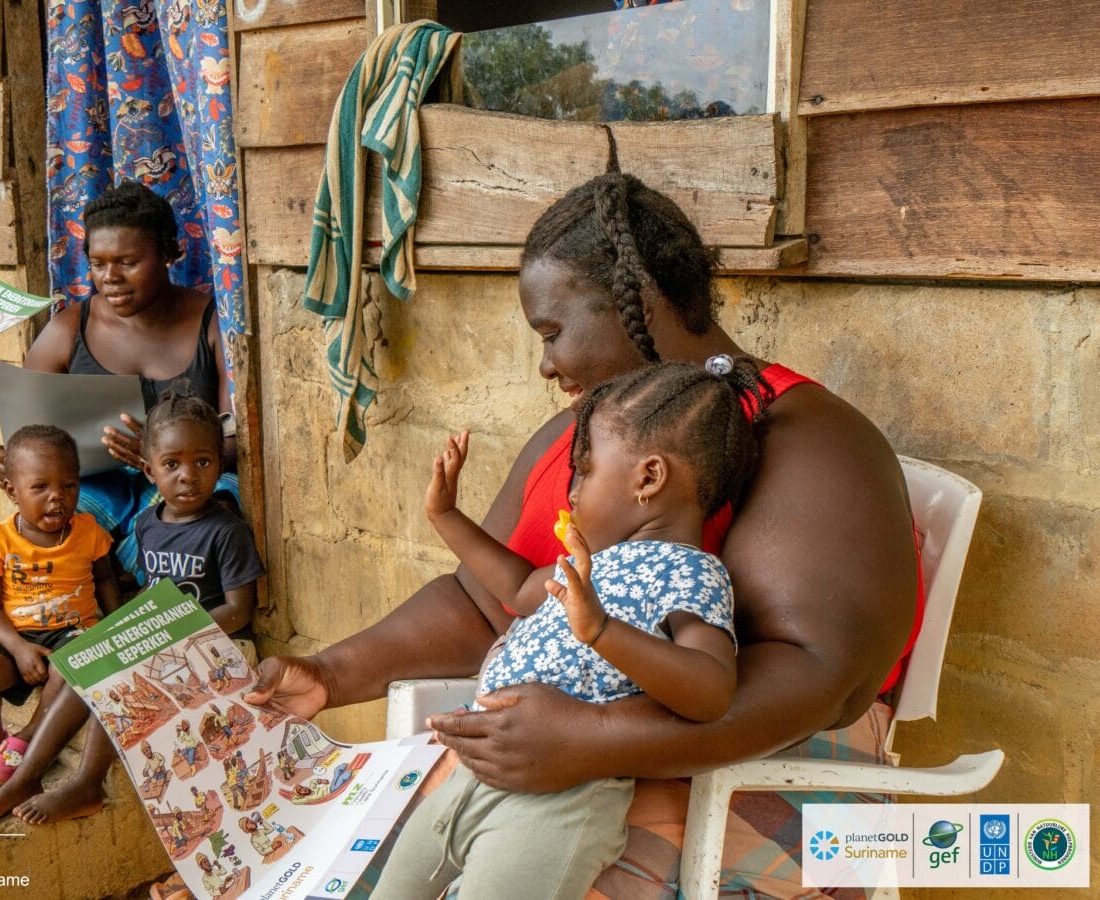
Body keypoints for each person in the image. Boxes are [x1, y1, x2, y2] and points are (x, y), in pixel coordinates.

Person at [244, 170, 921, 897]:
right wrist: (329, 674)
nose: (545, 365)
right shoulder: (583, 439)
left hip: (759, 769)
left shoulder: (810, 441)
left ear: (641, 302)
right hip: (559, 758)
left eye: (552, 332)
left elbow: (819, 679)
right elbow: (483, 602)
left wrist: (591, 740)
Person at [374, 360, 757, 898]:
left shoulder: (691, 572)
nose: (571, 492)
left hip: (561, 800)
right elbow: (514, 588)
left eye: (586, 471)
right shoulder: (587, 561)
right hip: (473, 779)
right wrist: (445, 516)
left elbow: (712, 688)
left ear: (649, 478)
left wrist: (602, 630)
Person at [0, 180, 238, 768]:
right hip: (98, 482)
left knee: (201, 521)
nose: (111, 278)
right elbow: (27, 430)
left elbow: (236, 440)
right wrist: (13, 460)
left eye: (128, 262)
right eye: (98, 264)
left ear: (169, 253)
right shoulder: (69, 328)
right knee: (13, 543)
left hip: (187, 485)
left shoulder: (208, 321)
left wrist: (157, 457)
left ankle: (56, 705)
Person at [0, 389, 264, 823]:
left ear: (218, 464)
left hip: (218, 644)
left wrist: (168, 632)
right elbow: (151, 586)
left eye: (202, 462)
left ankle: (87, 783)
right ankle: (27, 775)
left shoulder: (226, 531)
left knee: (120, 675)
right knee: (88, 661)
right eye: (171, 465)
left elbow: (239, 611)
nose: (188, 476)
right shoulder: (147, 523)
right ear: (149, 470)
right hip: (163, 642)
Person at [0, 426, 120, 784]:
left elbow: (104, 579)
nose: (57, 497)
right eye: (40, 487)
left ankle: (29, 738)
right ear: (12, 490)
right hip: (18, 636)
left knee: (70, 669)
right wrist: (18, 648)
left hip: (73, 632)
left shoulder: (88, 531)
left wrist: (116, 622)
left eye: (69, 485)